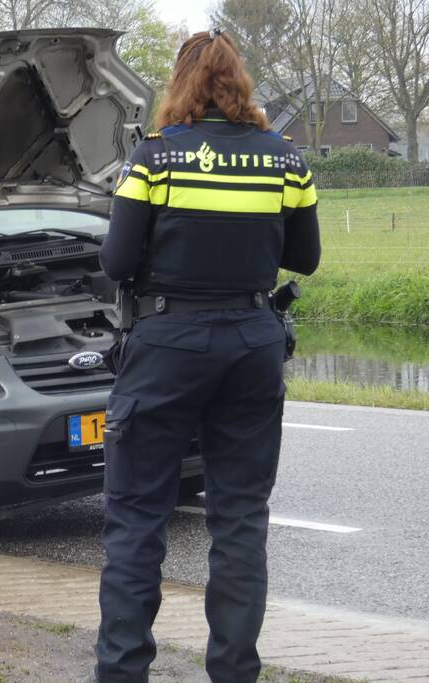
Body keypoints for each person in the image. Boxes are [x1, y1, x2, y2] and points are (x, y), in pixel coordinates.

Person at [93, 31, 320, 682]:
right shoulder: (285, 160)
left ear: (182, 83)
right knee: (241, 519)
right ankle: (233, 672)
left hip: (168, 342)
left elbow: (115, 262)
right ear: (239, 83)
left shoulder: (156, 158)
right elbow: (304, 257)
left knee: (137, 516)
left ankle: (122, 671)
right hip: (252, 339)